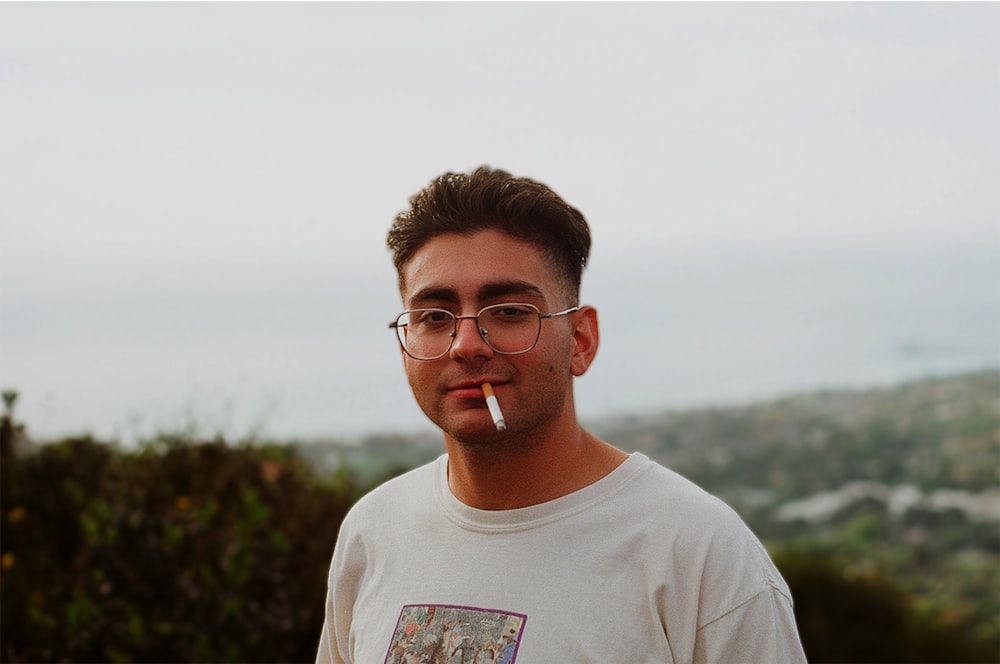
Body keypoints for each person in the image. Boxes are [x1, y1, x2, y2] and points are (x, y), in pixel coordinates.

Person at [317, 167, 807, 663]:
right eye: (435, 317)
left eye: (508, 311)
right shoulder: (373, 531)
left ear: (580, 340)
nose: (465, 344)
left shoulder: (697, 552)